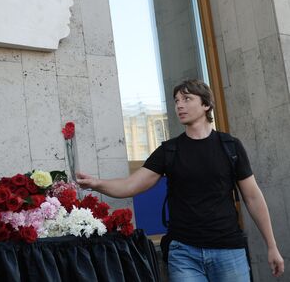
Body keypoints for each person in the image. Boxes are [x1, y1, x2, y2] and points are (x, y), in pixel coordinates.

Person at [77, 79, 284, 281]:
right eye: (176, 101)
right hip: (183, 254)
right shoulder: (169, 150)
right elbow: (131, 185)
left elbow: (253, 198)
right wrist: (97, 183)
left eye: (186, 99)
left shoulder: (230, 146)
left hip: (228, 250)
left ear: (206, 104)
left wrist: (271, 246)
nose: (179, 105)